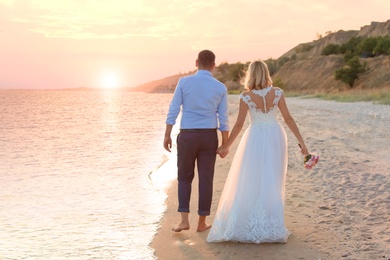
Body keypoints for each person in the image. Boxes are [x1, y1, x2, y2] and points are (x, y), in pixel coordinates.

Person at [207, 60, 308, 243]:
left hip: (254, 137)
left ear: (250, 75)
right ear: (266, 73)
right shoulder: (277, 93)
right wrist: (301, 142)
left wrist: (226, 146)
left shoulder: (246, 96)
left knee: (251, 177)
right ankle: (271, 223)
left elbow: (238, 124)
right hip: (275, 135)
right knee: (272, 178)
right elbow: (288, 118)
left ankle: (252, 221)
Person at [163, 50, 229, 232]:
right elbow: (223, 119)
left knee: (184, 177)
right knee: (206, 179)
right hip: (209, 137)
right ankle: (201, 223)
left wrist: (167, 134)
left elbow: (174, 109)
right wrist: (225, 144)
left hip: (188, 136)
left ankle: (184, 221)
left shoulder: (184, 82)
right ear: (213, 66)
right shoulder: (220, 87)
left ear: (196, 62)